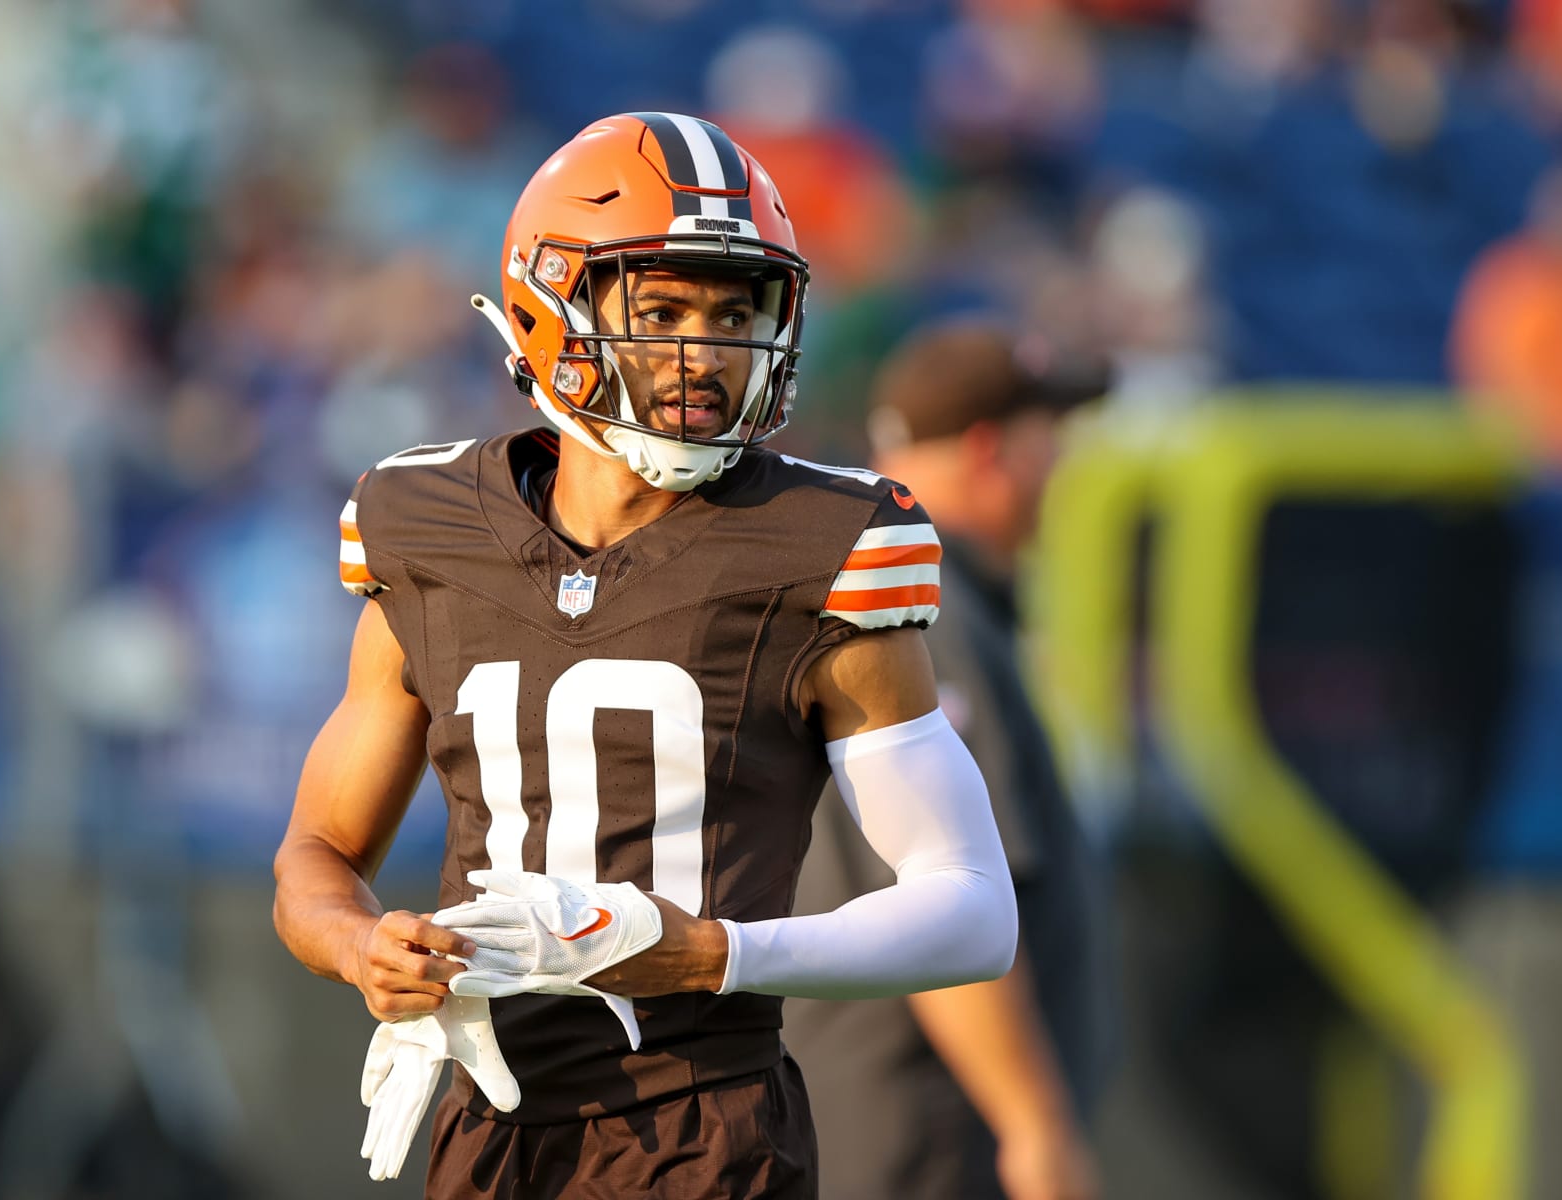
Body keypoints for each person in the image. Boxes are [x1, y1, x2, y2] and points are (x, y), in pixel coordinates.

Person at [271, 112, 1019, 1200]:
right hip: (488, 1124)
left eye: (732, 314)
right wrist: (359, 948)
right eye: (660, 310)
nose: (703, 354)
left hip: (703, 1130)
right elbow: (316, 855)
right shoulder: (422, 523)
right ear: (544, 306)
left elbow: (972, 910)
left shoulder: (827, 544)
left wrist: (717, 956)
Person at [781, 316, 1115, 1200]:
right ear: (988, 449)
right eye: (1052, 438)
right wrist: (1034, 1125)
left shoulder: (907, 589)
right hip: (925, 1128)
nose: (1063, 466)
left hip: (894, 1112)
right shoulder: (926, 609)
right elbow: (939, 893)